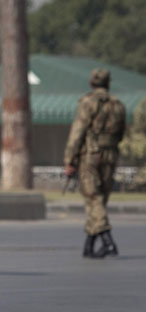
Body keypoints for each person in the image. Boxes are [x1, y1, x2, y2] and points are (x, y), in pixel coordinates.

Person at [64, 68, 125, 258]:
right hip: (111, 155)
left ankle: (108, 242)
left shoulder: (88, 102)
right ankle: (89, 245)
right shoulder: (118, 105)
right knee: (100, 199)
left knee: (93, 198)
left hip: (90, 155)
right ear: (108, 83)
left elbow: (78, 132)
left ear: (92, 83)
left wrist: (69, 159)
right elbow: (121, 133)